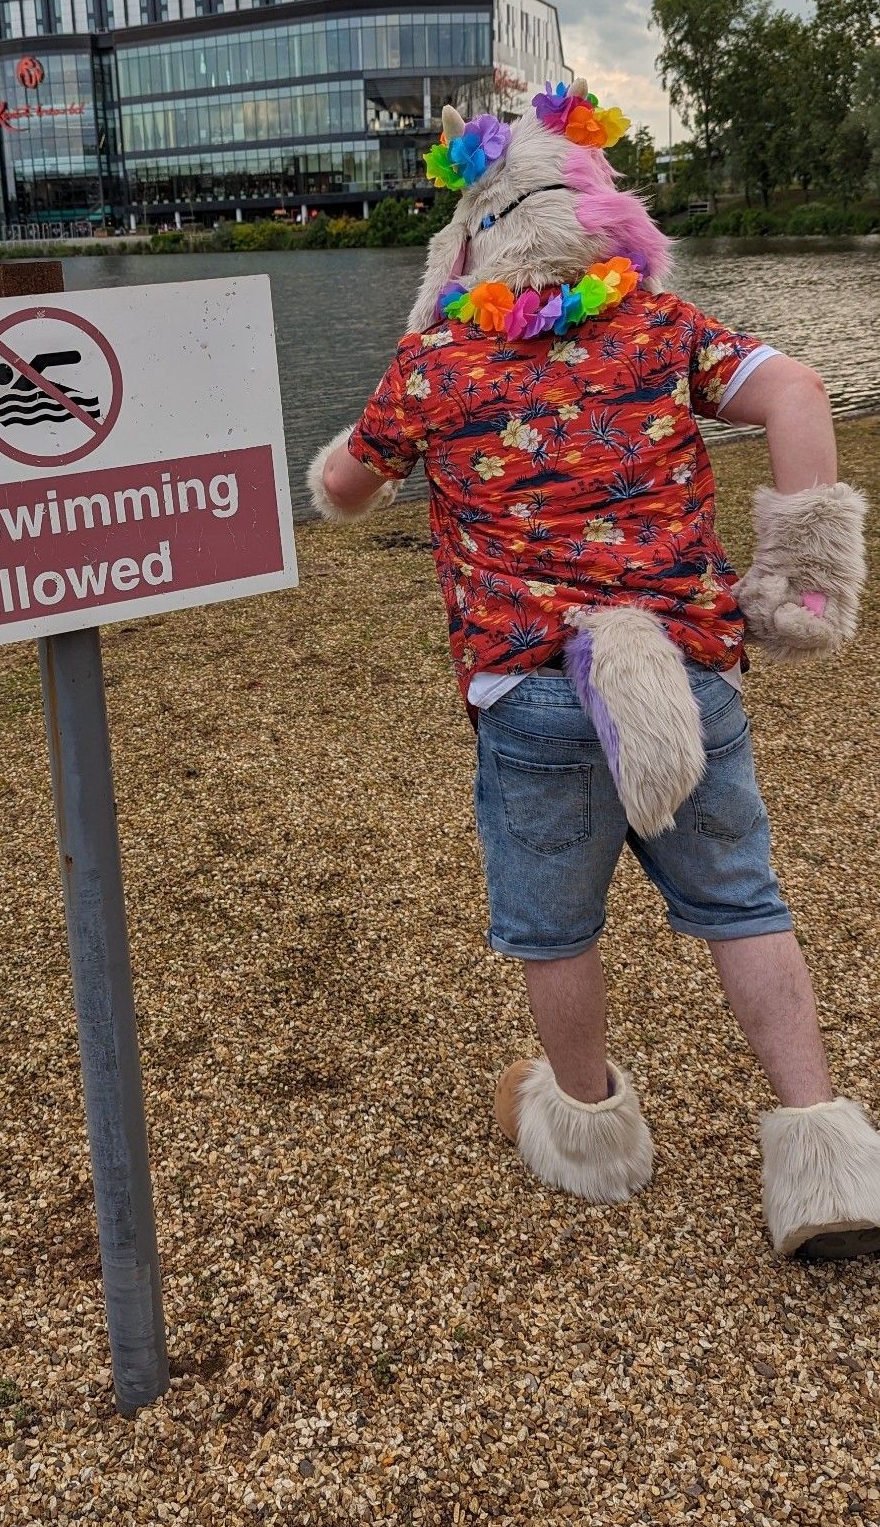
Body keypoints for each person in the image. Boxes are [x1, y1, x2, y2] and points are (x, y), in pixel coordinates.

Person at [308, 80, 877, 1258]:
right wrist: (802, 566)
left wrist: (407, 387)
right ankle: (824, 1156)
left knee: (557, 927)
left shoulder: (436, 363)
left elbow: (342, 490)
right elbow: (801, 391)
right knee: (744, 900)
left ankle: (595, 1137)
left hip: (533, 692)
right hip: (687, 664)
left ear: (471, 238)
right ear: (604, 218)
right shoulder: (664, 328)